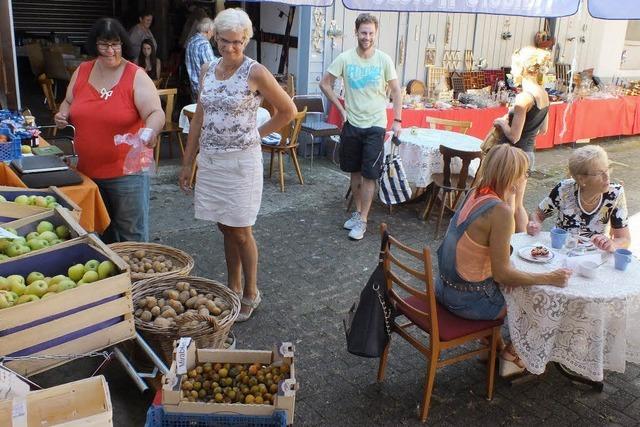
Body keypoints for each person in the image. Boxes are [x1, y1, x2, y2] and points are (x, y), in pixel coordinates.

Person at [178, 8, 296, 322]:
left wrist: (256, 134)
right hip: (213, 162)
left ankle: (251, 292)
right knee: (224, 227)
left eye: (237, 42)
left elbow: (287, 110)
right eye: (224, 41)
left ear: (246, 40)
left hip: (242, 164)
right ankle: (233, 285)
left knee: (242, 230)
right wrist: (188, 163)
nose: (230, 48)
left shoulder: (254, 71)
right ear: (215, 38)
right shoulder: (207, 69)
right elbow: (199, 119)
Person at [435, 145, 572, 376]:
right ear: (514, 176)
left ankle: (488, 348)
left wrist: (516, 199)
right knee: (536, 299)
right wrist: (550, 277)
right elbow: (503, 274)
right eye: (524, 173)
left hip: (443, 288)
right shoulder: (500, 212)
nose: (525, 178)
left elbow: (517, 237)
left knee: (513, 283)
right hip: (467, 302)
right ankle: (512, 355)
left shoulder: (476, 193)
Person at [54, 18, 165, 243]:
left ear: (123, 44)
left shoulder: (135, 75)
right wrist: (62, 114)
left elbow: (156, 113)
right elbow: (67, 101)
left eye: (115, 44)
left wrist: (150, 132)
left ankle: (134, 279)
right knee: (96, 236)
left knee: (130, 236)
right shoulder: (82, 71)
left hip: (127, 175)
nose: (110, 50)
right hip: (86, 173)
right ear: (95, 45)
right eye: (104, 45)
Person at [319, 13, 402, 241]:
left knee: (369, 175)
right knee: (354, 172)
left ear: (376, 34)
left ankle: (363, 220)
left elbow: (395, 90)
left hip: (376, 125)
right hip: (352, 124)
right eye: (363, 33)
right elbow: (324, 83)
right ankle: (357, 213)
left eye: (371, 33)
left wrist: (397, 120)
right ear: (356, 33)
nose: (367, 37)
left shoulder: (383, 60)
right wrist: (342, 108)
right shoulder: (345, 59)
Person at [527, 145, 630, 252]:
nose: (607, 176)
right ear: (581, 179)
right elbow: (538, 214)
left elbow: (624, 238)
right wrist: (534, 223)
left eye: (607, 169)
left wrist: (612, 244)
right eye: (599, 173)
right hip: (562, 250)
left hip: (593, 256)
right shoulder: (564, 189)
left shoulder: (615, 193)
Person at [493, 46, 551, 232]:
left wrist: (502, 123)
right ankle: (520, 244)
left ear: (522, 68)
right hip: (528, 154)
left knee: (508, 204)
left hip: (514, 155)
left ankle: (506, 245)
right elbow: (544, 130)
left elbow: (514, 136)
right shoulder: (543, 94)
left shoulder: (523, 98)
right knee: (518, 204)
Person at [186, 17, 216, 100]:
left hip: (194, 86)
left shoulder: (191, 41)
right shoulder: (204, 44)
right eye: (212, 31)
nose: (212, 34)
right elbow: (212, 66)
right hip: (204, 88)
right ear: (208, 31)